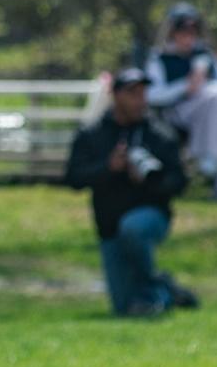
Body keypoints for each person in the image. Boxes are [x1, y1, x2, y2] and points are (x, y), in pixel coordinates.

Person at [65, 67, 198, 318]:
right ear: (115, 95)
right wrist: (108, 167)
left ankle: (151, 291)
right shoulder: (92, 135)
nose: (140, 100)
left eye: (143, 93)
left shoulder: (159, 134)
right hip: (109, 227)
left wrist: (148, 181)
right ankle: (166, 289)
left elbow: (179, 182)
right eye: (132, 93)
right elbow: (73, 178)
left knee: (133, 228)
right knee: (125, 308)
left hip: (151, 216)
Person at [144, 2, 217, 201]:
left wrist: (202, 83)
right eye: (182, 31)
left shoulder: (206, 56)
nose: (188, 36)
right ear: (172, 32)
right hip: (177, 113)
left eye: (192, 31)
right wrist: (185, 87)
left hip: (213, 113)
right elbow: (151, 94)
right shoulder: (159, 58)